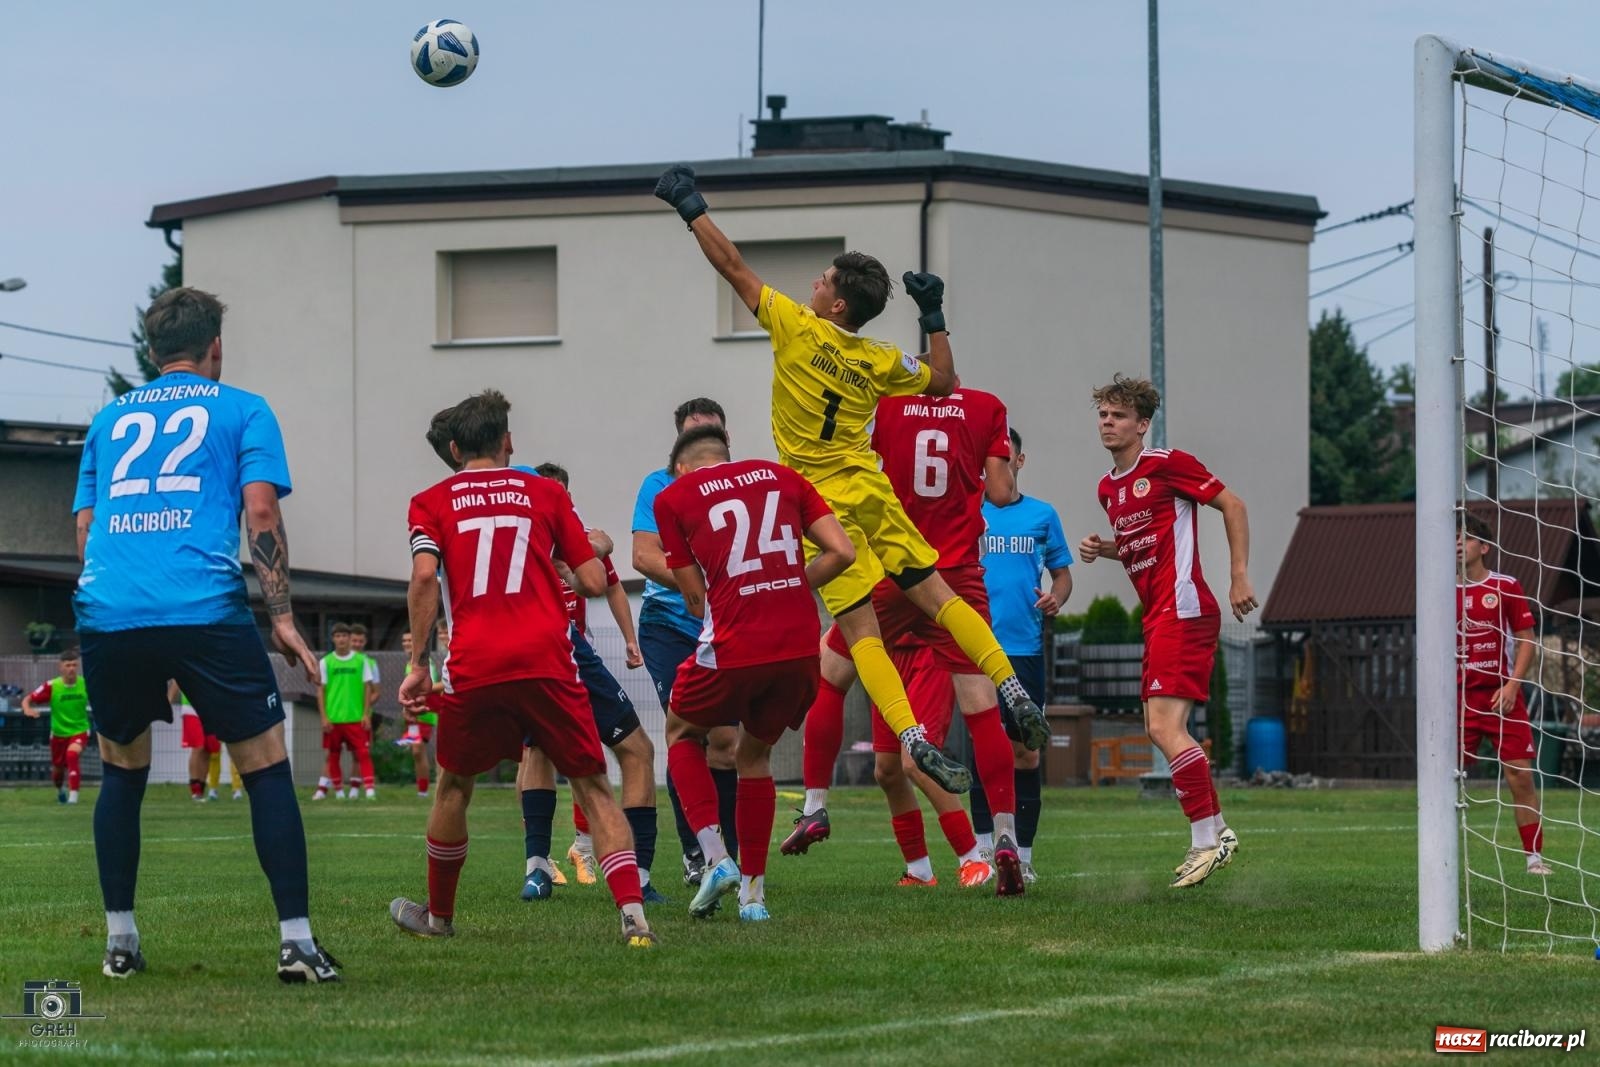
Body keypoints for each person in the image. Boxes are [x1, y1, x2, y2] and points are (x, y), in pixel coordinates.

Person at [654, 166, 1044, 796]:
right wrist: (935, 313)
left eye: (825, 279)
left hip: (819, 504)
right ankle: (1011, 685)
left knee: (861, 631)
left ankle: (913, 736)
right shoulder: (879, 358)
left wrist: (690, 205)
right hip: (871, 488)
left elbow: (732, 266)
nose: (814, 282)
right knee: (942, 597)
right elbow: (946, 379)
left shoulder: (794, 327)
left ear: (835, 304)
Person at [71, 286, 337, 982]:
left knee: (121, 770)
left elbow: (85, 528)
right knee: (265, 763)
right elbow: (260, 510)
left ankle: (120, 942)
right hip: (202, 603)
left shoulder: (107, 419)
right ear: (214, 346)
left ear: (152, 349)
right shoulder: (244, 408)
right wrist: (280, 615)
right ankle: (297, 943)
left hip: (108, 608)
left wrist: (123, 606)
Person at [390, 389, 655, 948]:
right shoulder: (543, 492)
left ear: (456, 447)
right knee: (593, 786)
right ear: (507, 441)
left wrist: (417, 663)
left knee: (454, 786)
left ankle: (439, 920)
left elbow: (421, 579)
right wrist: (559, 557)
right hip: (547, 657)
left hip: (476, 660)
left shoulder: (430, 499)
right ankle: (634, 918)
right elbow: (590, 580)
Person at [793, 384, 1026, 894]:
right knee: (952, 726)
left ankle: (817, 806)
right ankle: (997, 839)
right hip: (952, 579)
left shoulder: (885, 404)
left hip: (894, 572)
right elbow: (1003, 493)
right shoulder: (986, 406)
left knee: (833, 678)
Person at [654, 425, 855, 920]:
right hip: (798, 645)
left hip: (735, 641)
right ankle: (753, 897)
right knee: (755, 755)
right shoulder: (784, 478)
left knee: (681, 732)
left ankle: (716, 857)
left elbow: (695, 598)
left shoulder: (673, 496)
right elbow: (843, 552)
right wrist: (785, 587)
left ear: (681, 468)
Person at [1077, 374, 1252, 888]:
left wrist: (1238, 575)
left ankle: (1205, 841)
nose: (1108, 423)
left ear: (1143, 424)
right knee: (1161, 728)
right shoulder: (1109, 489)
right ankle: (1216, 830)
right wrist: (1104, 548)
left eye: (1119, 416)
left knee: (1163, 729)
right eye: (1103, 415)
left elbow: (1233, 505)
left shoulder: (1167, 464)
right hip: (1159, 615)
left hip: (1186, 608)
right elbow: (1141, 538)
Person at [524, 460, 660, 905]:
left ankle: (570, 861)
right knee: (550, 751)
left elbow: (609, 583)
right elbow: (594, 577)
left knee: (605, 752)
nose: (556, 501)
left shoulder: (571, 529)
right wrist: (594, 548)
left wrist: (629, 639)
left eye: (562, 494)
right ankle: (548, 866)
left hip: (566, 648)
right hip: (551, 646)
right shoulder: (534, 534)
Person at [630, 397, 741, 886]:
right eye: (694, 436)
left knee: (728, 744)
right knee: (686, 731)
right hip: (669, 626)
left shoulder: (743, 487)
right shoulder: (658, 487)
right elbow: (642, 556)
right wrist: (703, 583)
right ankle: (699, 851)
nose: (704, 448)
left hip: (728, 628)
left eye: (712, 436)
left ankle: (730, 855)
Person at [970, 427, 1074, 883]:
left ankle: (1024, 856)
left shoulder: (1042, 515)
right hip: (975, 648)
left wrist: (1057, 597)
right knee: (984, 749)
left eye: (1003, 457)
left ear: (1019, 460)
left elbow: (1063, 577)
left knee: (1026, 753)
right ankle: (984, 853)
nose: (996, 466)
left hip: (1025, 651)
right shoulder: (969, 513)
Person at [1457, 513, 1549, 876]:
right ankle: (1440, 856)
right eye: (1454, 540)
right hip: (1458, 700)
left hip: (1500, 697)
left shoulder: (1506, 586)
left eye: (1465, 539)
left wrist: (1513, 684)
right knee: (1444, 776)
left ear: (1484, 547)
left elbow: (1527, 639)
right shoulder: (1440, 590)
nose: (1458, 546)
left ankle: (1535, 858)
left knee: (1520, 777)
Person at [314, 623, 377, 800]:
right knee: (333, 755)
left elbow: (367, 688)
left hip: (356, 717)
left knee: (363, 753)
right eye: (338, 636)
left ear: (350, 638)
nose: (341, 639)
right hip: (333, 719)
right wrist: (324, 717)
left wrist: (365, 714)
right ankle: (339, 791)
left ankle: (369, 789)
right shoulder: (326, 661)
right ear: (333, 639)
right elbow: (321, 690)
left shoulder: (361, 661)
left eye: (344, 635)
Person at [22, 649, 91, 805]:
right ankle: (60, 790)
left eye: (74, 665)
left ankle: (73, 798)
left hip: (80, 730)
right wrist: (27, 709)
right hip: (59, 734)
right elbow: (28, 698)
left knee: (72, 755)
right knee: (58, 771)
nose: (71, 668)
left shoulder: (85, 683)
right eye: (68, 665)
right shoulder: (52, 686)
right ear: (61, 667)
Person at [170, 682, 240, 801]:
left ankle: (201, 791)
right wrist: (169, 699)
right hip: (191, 708)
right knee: (198, 747)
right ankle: (195, 790)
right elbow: (177, 679)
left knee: (209, 749)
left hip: (211, 708)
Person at [396, 629, 438, 797]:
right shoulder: (411, 664)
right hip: (413, 713)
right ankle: (422, 789)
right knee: (416, 751)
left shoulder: (426, 664)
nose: (407, 644)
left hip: (423, 713)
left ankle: (424, 790)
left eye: (410, 640)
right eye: (404, 641)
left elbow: (429, 687)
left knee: (417, 750)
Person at [348, 623, 382, 742]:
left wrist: (362, 709)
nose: (357, 644)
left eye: (360, 641)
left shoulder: (371, 663)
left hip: (362, 717)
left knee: (362, 753)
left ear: (365, 641)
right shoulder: (334, 661)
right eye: (354, 641)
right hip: (339, 716)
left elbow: (376, 693)